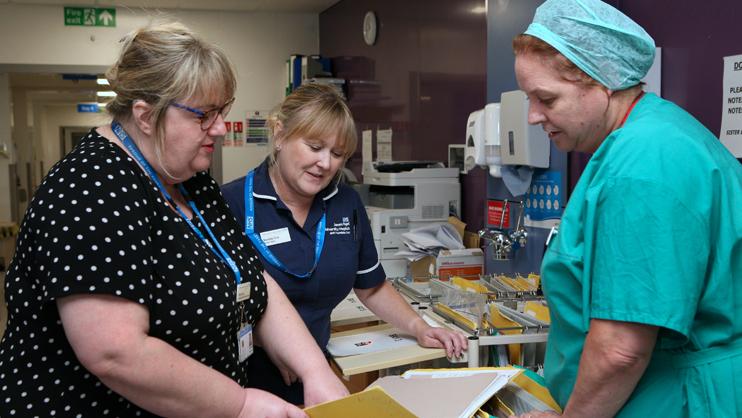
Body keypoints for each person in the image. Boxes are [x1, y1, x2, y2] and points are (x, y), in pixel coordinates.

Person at [0, 22, 349, 417]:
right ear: (145, 116)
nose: (219, 128)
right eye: (204, 115)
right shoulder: (91, 186)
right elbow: (115, 351)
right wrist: (241, 403)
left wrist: (315, 370)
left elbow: (253, 279)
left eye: (222, 111)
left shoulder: (190, 180)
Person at [508, 1, 742, 417]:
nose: (532, 116)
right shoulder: (655, 134)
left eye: (546, 98)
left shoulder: (642, 167)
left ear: (604, 83)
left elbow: (621, 350)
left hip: (677, 399)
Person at [221, 83, 468, 404]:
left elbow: (371, 286)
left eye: (337, 154)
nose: (325, 163)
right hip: (242, 383)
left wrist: (418, 326)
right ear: (280, 134)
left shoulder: (345, 202)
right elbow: (215, 306)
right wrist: (273, 344)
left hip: (314, 378)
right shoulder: (231, 202)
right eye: (314, 147)